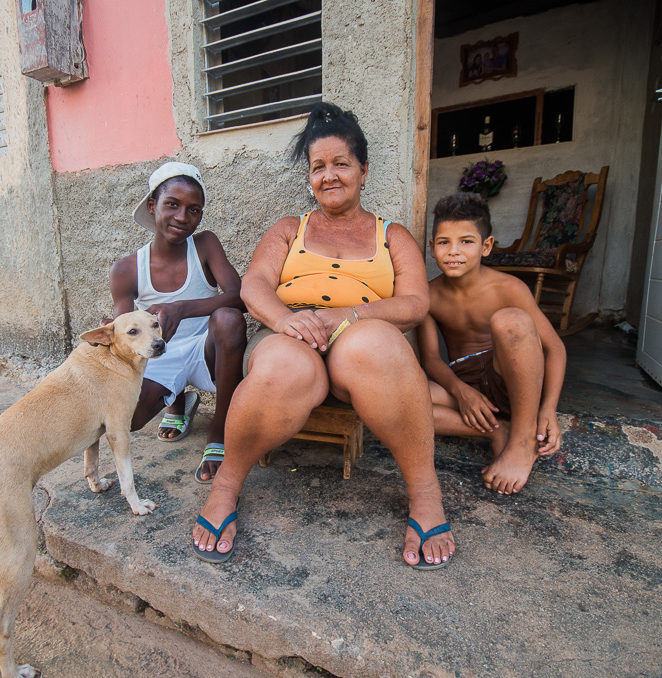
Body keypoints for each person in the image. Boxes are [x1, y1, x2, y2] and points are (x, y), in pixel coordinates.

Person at [191, 103, 455, 569]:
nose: (328, 175)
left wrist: (350, 315)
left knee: (378, 346)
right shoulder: (290, 229)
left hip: (361, 334)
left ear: (363, 170)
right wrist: (283, 320)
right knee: (283, 366)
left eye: (340, 163)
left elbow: (415, 304)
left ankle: (426, 494)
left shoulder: (391, 235)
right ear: (310, 177)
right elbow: (254, 285)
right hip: (291, 332)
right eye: (318, 167)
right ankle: (226, 487)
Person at [417, 193, 566, 495]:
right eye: (444, 242)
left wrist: (549, 409)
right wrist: (461, 392)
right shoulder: (428, 295)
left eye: (467, 242)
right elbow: (431, 359)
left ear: (486, 246)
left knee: (511, 320)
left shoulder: (509, 287)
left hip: (511, 380)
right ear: (432, 248)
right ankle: (498, 429)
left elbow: (555, 348)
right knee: (405, 401)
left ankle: (523, 442)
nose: (454, 252)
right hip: (465, 383)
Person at [108, 162, 247, 482]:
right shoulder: (127, 269)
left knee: (228, 319)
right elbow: (125, 334)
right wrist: (112, 329)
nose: (183, 217)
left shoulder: (205, 245)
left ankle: (219, 429)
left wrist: (182, 308)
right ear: (152, 205)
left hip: (206, 351)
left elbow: (240, 296)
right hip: (161, 353)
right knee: (128, 420)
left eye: (194, 210)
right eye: (172, 204)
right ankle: (178, 401)